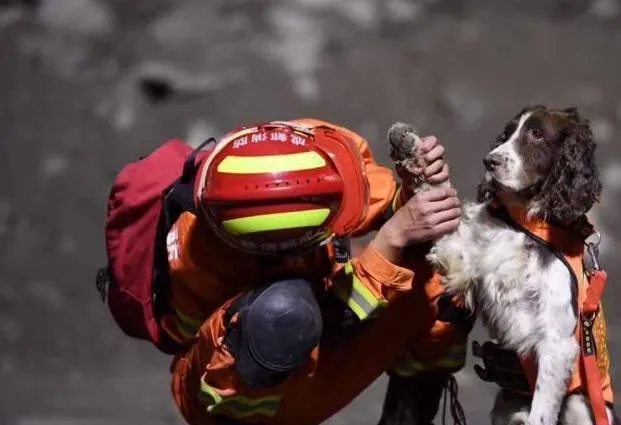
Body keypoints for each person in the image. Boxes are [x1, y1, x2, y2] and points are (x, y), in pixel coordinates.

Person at [162, 118, 473, 425]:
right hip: (237, 396)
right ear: (282, 248)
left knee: (442, 276)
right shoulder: (207, 260)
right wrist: (392, 237)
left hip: (308, 340)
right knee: (279, 315)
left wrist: (412, 189)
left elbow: (374, 202)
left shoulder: (311, 156)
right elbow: (328, 322)